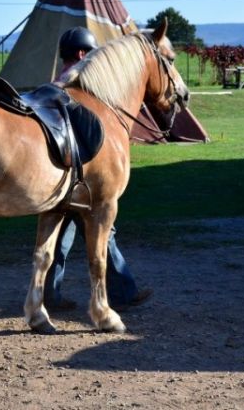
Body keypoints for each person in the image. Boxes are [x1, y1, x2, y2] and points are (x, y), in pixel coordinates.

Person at [43, 27, 152, 312]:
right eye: (90, 53)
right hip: (81, 181)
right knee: (106, 233)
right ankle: (123, 293)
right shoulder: (79, 86)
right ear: (81, 54)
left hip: (60, 181)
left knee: (59, 239)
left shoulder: (55, 83)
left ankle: (50, 295)